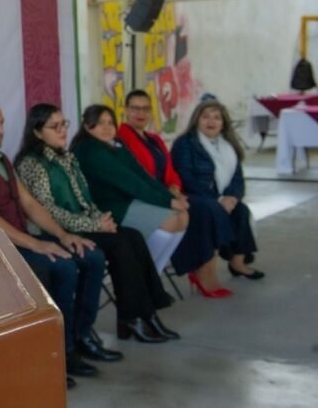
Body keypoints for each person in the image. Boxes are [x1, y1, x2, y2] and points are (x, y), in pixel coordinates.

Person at [0, 98, 117, 386]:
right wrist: (35, 244)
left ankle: (81, 337)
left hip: (21, 239)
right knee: (62, 267)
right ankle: (57, 354)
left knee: (90, 255)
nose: (1, 129)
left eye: (1, 122)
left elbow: (30, 204)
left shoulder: (1, 159)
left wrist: (63, 235)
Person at [15, 104, 178, 344]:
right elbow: (48, 211)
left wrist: (100, 220)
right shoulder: (32, 164)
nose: (62, 131)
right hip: (55, 231)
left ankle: (144, 314)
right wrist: (94, 225)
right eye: (54, 126)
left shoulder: (66, 157)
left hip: (82, 225)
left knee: (132, 236)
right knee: (121, 244)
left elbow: (85, 199)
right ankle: (133, 318)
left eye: (63, 124)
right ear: (37, 132)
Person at [118, 89, 234, 293]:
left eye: (145, 109)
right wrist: (168, 195)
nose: (140, 113)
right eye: (135, 108)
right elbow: (139, 178)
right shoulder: (122, 139)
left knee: (200, 210)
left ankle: (159, 275)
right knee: (203, 209)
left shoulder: (154, 139)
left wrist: (175, 187)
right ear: (125, 110)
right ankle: (186, 270)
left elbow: (170, 170)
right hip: (145, 197)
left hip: (167, 194)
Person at [71, 104, 189, 274]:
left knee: (183, 216)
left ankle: (154, 275)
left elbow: (142, 175)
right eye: (100, 123)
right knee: (170, 221)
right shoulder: (89, 149)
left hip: (127, 200)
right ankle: (145, 276)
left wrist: (171, 198)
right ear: (87, 126)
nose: (107, 128)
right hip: (105, 209)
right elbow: (130, 182)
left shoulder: (115, 143)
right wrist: (168, 202)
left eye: (110, 123)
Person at [171, 99, 263, 292]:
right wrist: (218, 199)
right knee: (211, 210)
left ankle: (237, 262)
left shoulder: (229, 146)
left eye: (216, 117)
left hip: (220, 198)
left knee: (240, 210)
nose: (211, 121)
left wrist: (232, 197)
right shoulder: (185, 143)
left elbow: (237, 179)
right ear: (196, 120)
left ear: (223, 123)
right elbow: (185, 177)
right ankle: (204, 269)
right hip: (193, 196)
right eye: (205, 117)